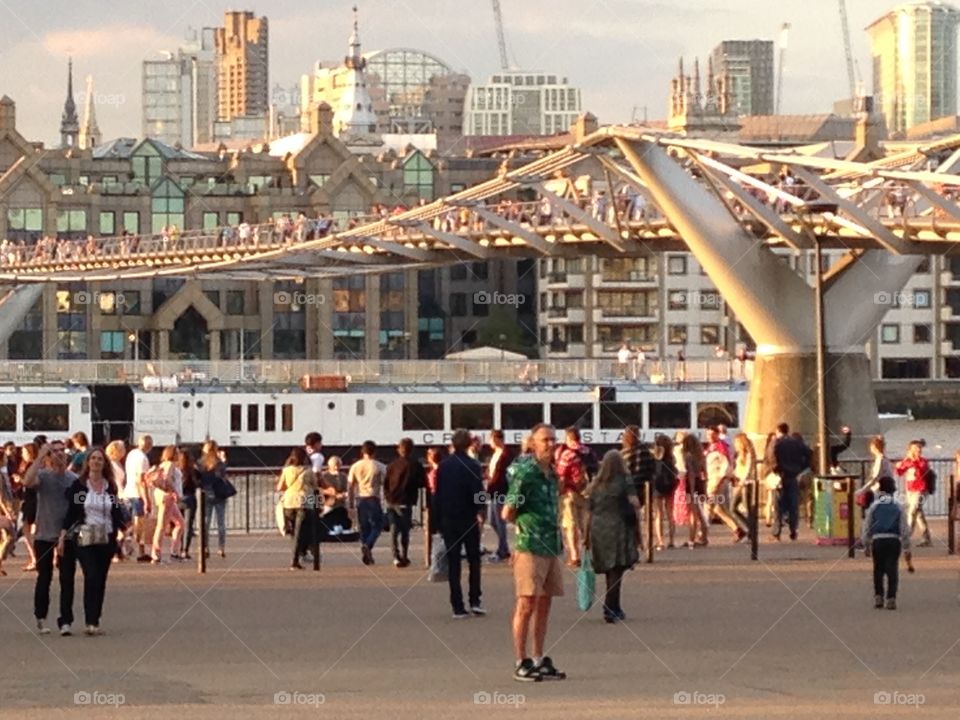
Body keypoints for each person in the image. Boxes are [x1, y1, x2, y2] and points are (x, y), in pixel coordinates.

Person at [504, 423, 566, 683]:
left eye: (553, 440)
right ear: (532, 443)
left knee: (545, 602)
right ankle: (521, 660)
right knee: (526, 603)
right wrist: (524, 526)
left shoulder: (551, 474)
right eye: (544, 440)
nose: (550, 445)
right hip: (529, 545)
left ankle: (539, 657)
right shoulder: (526, 474)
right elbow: (508, 511)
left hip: (551, 544)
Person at [60, 447, 127, 635]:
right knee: (91, 575)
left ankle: (93, 621)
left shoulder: (109, 486)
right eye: (93, 459)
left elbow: (116, 509)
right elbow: (72, 511)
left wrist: (124, 530)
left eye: (100, 459)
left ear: (104, 463)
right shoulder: (80, 487)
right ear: (88, 462)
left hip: (106, 537)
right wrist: (63, 534)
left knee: (100, 580)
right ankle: (86, 618)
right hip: (85, 535)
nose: (96, 462)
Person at [22, 441, 77, 636]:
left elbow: (77, 508)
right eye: (55, 451)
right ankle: (41, 616)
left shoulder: (73, 478)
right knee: (44, 577)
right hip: (44, 534)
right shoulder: (43, 476)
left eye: (63, 451)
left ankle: (65, 621)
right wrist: (39, 457)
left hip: (67, 535)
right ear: (49, 455)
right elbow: (27, 482)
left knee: (67, 579)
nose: (60, 454)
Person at [584, 450, 640, 623]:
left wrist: (586, 536)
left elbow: (589, 512)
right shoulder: (625, 481)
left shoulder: (596, 484)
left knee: (609, 567)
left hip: (598, 528)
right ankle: (611, 607)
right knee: (618, 567)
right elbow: (635, 503)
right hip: (618, 526)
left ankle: (613, 606)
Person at [434, 429, 485, 618]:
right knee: (474, 559)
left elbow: (437, 495)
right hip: (468, 517)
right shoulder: (474, 465)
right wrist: (481, 511)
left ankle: (457, 605)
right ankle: (475, 600)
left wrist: (436, 521)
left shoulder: (443, 466)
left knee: (454, 562)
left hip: (448, 518)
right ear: (469, 443)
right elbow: (478, 491)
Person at [862, 476, 911, 610]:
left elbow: (867, 526)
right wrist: (907, 547)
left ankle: (878, 596)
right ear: (893, 490)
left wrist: (865, 543)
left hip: (878, 540)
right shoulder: (898, 507)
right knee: (892, 569)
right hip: (893, 539)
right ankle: (891, 598)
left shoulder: (874, 507)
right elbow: (904, 528)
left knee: (878, 569)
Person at [553, 427, 593, 568]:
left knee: (570, 525)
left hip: (570, 493)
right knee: (586, 525)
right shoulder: (588, 452)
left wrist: (558, 491)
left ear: (568, 438)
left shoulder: (567, 454)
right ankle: (588, 554)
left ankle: (575, 556)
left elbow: (561, 477)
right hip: (587, 492)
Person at [384, 438, 425, 568]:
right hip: (406, 500)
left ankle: (395, 556)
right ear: (412, 450)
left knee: (393, 530)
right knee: (405, 531)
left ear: (398, 449)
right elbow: (422, 482)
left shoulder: (391, 465)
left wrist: (387, 497)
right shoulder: (416, 465)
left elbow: (385, 483)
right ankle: (405, 555)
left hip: (392, 501)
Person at [276, 447, 318, 570]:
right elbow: (315, 486)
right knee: (302, 531)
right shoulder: (308, 471)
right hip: (304, 502)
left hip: (288, 502)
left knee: (294, 532)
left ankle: (296, 556)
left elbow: (279, 487)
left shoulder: (286, 470)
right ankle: (295, 559)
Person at [764, 423, 808, 542]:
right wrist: (800, 468)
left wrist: (775, 469)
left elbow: (770, 456)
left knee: (778, 506)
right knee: (793, 505)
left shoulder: (776, 442)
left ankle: (776, 532)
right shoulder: (796, 443)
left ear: (778, 431)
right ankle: (794, 531)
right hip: (793, 476)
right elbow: (808, 454)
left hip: (780, 477)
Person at [704, 428, 747, 543]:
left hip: (717, 480)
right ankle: (737, 529)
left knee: (707, 507)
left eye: (712, 434)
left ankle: (702, 535)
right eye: (708, 434)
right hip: (711, 479)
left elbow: (725, 465)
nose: (709, 436)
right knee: (718, 509)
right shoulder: (710, 447)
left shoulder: (721, 447)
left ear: (717, 434)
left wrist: (719, 481)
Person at [347, 441, 386, 565]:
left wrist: (351, 504)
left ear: (362, 452)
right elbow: (385, 483)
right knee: (378, 526)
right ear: (374, 452)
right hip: (373, 497)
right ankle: (368, 546)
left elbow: (350, 486)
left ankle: (365, 548)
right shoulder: (379, 466)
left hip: (360, 498)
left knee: (364, 528)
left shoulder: (355, 466)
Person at [150, 446, 184, 563]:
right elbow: (168, 479)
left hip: (164, 496)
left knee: (180, 523)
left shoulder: (163, 464)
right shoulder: (170, 464)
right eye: (178, 453)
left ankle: (174, 551)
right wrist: (175, 492)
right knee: (162, 525)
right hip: (167, 497)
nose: (180, 455)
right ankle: (156, 553)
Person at [895, 440, 932, 547]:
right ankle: (926, 538)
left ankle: (906, 538)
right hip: (910, 490)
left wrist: (914, 461)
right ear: (910, 449)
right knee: (918, 514)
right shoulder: (907, 461)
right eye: (916, 448)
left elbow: (922, 472)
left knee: (912, 512)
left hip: (921, 490)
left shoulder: (923, 461)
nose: (918, 450)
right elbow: (899, 472)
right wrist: (900, 464)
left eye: (920, 447)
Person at [123, 435, 153, 562]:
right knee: (138, 524)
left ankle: (140, 551)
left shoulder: (132, 454)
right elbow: (141, 480)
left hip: (128, 492)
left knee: (133, 523)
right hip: (137, 494)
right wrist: (146, 499)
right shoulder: (142, 459)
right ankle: (124, 540)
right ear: (149, 445)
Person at [198, 441, 229, 558]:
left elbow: (200, 477)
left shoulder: (201, 462)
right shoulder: (219, 462)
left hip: (206, 494)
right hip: (220, 494)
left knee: (206, 523)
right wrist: (224, 460)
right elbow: (223, 475)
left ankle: (205, 547)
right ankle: (221, 548)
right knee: (221, 522)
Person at [485, 430, 512, 562]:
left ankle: (503, 550)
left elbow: (503, 475)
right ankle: (504, 546)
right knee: (491, 520)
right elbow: (491, 471)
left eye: (491, 439)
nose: (489, 442)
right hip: (492, 490)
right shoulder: (495, 454)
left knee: (500, 521)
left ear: (497, 439)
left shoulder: (506, 455)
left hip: (500, 491)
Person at [651, 434, 678, 550]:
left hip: (657, 486)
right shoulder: (671, 458)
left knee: (658, 514)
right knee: (670, 513)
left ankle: (660, 541)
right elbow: (675, 471)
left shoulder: (654, 458)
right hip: (669, 486)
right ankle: (671, 540)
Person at [681, 434, 708, 548]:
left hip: (692, 484)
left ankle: (691, 538)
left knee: (693, 513)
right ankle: (704, 536)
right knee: (700, 512)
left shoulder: (688, 456)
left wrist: (691, 490)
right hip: (700, 483)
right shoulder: (701, 456)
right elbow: (704, 473)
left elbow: (691, 474)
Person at [620, 425, 654, 507]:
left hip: (634, 488)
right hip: (639, 487)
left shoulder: (635, 451)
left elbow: (637, 471)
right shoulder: (642, 450)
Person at [856, 436, 892, 513]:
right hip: (885, 488)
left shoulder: (880, 459)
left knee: (878, 511)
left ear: (874, 447)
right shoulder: (885, 459)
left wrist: (863, 489)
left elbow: (876, 477)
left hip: (880, 489)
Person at [731, 434, 758, 532]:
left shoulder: (749, 455)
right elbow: (738, 469)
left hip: (745, 484)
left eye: (736, 443)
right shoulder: (739, 454)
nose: (735, 445)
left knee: (747, 509)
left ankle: (751, 530)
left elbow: (748, 470)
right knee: (733, 508)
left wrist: (741, 482)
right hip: (739, 482)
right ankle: (750, 528)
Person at [318, 456, 350, 536]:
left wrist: (343, 495)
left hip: (340, 503)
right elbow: (318, 489)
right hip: (328, 503)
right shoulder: (323, 476)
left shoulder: (343, 476)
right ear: (329, 466)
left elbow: (346, 489)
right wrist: (328, 492)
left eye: (338, 465)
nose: (336, 467)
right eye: (334, 465)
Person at [176, 449, 198, 559]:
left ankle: (178, 548)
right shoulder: (192, 470)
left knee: (179, 525)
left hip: (178, 499)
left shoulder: (176, 470)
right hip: (190, 498)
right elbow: (199, 483)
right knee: (188, 525)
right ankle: (185, 549)